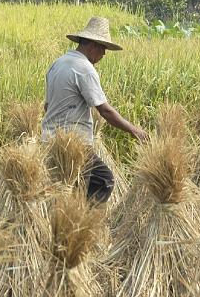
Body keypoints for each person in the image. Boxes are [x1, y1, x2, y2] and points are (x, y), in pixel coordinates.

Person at [41, 16, 148, 203]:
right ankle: (84, 223)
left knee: (68, 188)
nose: (104, 54)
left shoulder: (57, 64)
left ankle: (66, 221)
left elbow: (47, 107)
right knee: (103, 180)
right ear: (93, 45)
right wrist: (135, 131)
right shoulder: (84, 68)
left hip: (49, 141)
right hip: (73, 144)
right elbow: (104, 110)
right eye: (103, 48)